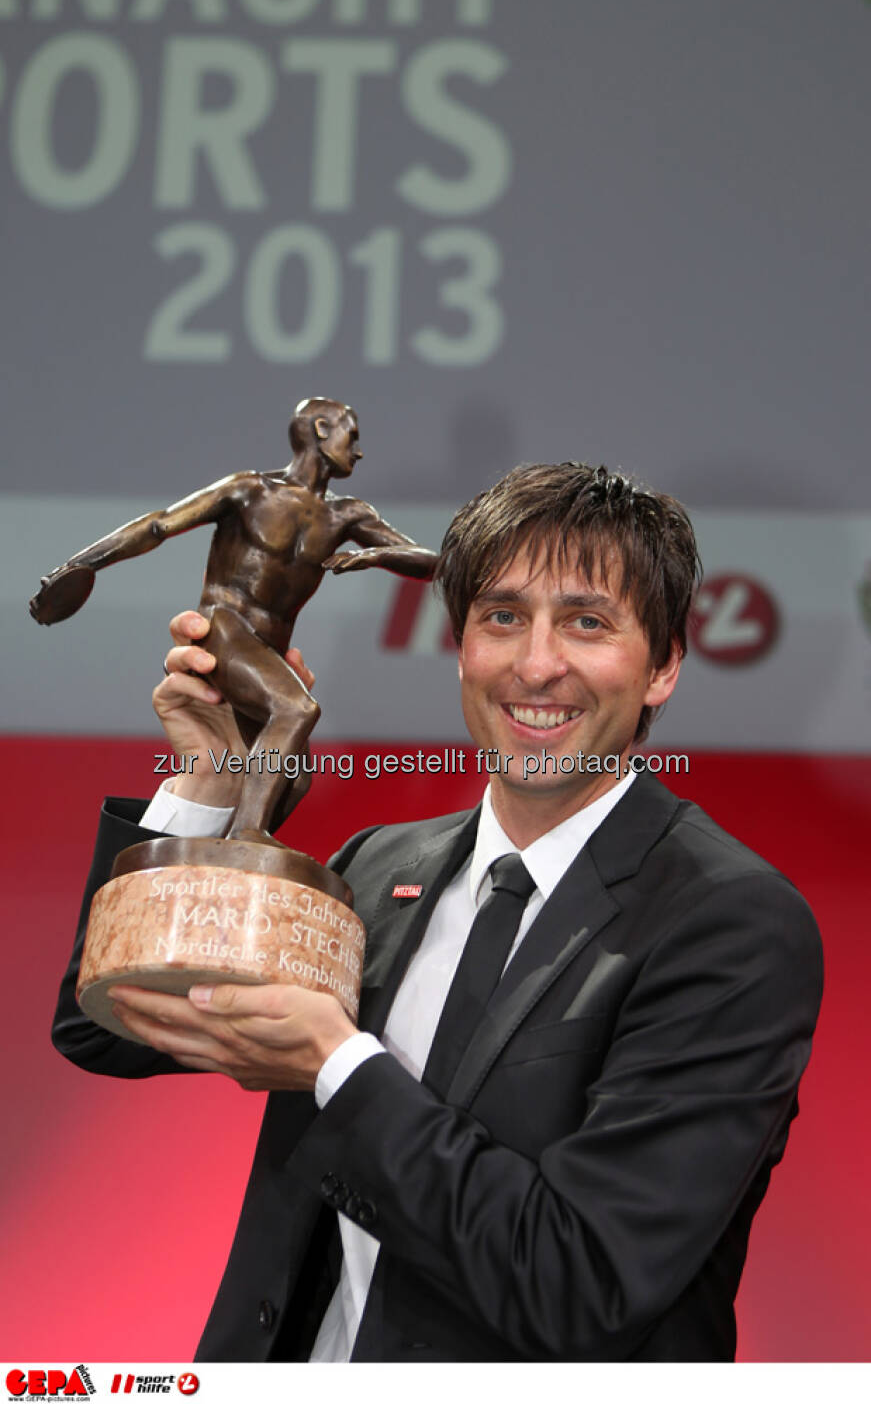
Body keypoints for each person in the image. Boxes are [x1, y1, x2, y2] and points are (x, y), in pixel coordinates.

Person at [52, 462, 823, 1362]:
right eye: (502, 618)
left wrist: (338, 1066)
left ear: (662, 668)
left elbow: (581, 1285)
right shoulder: (378, 868)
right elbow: (103, 1026)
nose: (537, 665)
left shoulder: (731, 925)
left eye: (585, 622)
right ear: (459, 646)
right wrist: (212, 780)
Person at [30, 397, 437, 837]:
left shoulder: (347, 515)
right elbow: (159, 525)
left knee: (296, 780)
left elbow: (430, 560)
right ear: (321, 429)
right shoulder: (250, 489)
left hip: (268, 651)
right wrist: (78, 566)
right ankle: (247, 835)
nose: (358, 451)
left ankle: (228, 857)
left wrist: (377, 555)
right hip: (224, 631)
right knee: (297, 710)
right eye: (351, 436)